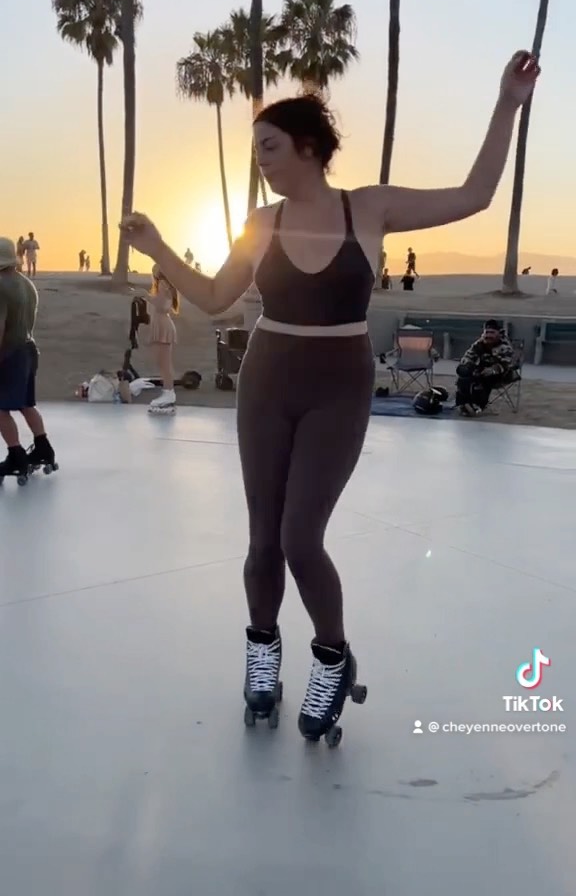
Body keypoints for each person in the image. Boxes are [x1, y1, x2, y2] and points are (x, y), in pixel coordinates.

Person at [122, 50, 540, 741]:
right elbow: (216, 298)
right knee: (263, 540)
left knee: (300, 538)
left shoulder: (368, 208)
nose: (260, 159)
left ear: (308, 148)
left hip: (338, 386)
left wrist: (506, 104)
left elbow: (474, 195)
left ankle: (332, 657)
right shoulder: (262, 223)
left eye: (269, 145)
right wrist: (160, 247)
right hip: (267, 380)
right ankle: (263, 652)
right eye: (256, 148)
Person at [0, 238, 56, 481]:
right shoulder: (26, 283)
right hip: (28, 350)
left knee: (0, 409)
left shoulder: (0, 286)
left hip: (9, 353)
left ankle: (16, 456)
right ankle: (43, 448)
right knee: (26, 404)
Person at [455, 320, 516, 416]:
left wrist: (493, 370)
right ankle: (463, 403)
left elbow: (508, 364)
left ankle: (479, 404)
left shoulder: (505, 346)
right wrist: (466, 365)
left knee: (484, 378)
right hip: (482, 370)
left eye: (492, 332)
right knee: (463, 376)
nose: (489, 335)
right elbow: (468, 356)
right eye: (487, 332)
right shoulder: (479, 344)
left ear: (498, 333)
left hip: (502, 374)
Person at [142, 264, 179, 412]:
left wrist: (146, 296)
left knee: (164, 363)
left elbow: (162, 306)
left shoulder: (163, 284)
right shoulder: (164, 284)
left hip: (163, 325)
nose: (153, 270)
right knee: (162, 362)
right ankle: (167, 391)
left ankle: (169, 392)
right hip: (161, 324)